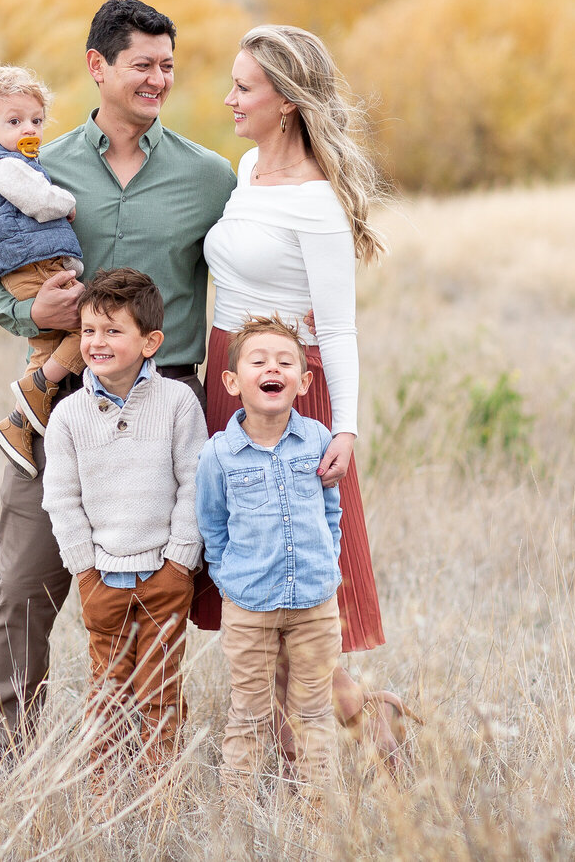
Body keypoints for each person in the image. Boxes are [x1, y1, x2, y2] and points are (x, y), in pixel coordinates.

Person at [0, 0, 236, 760]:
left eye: (168, 67)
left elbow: (248, 274)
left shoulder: (209, 177)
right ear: (98, 66)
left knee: (154, 598)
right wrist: (33, 314)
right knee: (24, 589)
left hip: (169, 407)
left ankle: (131, 770)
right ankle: (6, 767)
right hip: (61, 406)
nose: (159, 79)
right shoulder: (33, 168)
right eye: (143, 65)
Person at [194, 23, 413, 759]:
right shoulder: (247, 166)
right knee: (255, 583)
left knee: (295, 586)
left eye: (243, 87)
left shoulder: (316, 203)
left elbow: (339, 331)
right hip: (228, 389)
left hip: (291, 403)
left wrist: (342, 428)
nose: (229, 98)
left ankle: (335, 739)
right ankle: (344, 725)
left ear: (285, 100)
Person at [41, 268, 207, 778]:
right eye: (89, 331)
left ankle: (161, 797)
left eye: (113, 331)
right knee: (107, 692)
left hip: (163, 574)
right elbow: (62, 501)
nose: (97, 342)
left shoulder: (178, 403)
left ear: (150, 341)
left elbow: (195, 485)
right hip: (103, 580)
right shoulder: (68, 416)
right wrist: (85, 573)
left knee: (160, 691)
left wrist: (180, 563)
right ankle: (103, 794)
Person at [196, 314, 343, 793]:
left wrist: (325, 565)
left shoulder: (318, 440)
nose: (270, 368)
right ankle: (236, 813)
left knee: (314, 711)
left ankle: (317, 810)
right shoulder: (219, 455)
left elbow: (331, 513)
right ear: (232, 381)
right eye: (257, 360)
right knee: (250, 714)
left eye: (284, 361)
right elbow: (212, 526)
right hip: (249, 607)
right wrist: (230, 581)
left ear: (302, 381)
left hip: (315, 605)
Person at [0, 65, 84, 479]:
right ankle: (34, 389)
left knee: (46, 347)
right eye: (14, 122)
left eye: (36, 120)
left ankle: (18, 425)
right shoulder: (8, 165)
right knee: (91, 325)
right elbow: (39, 201)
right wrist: (66, 202)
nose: (28, 129)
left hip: (14, 268)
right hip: (33, 266)